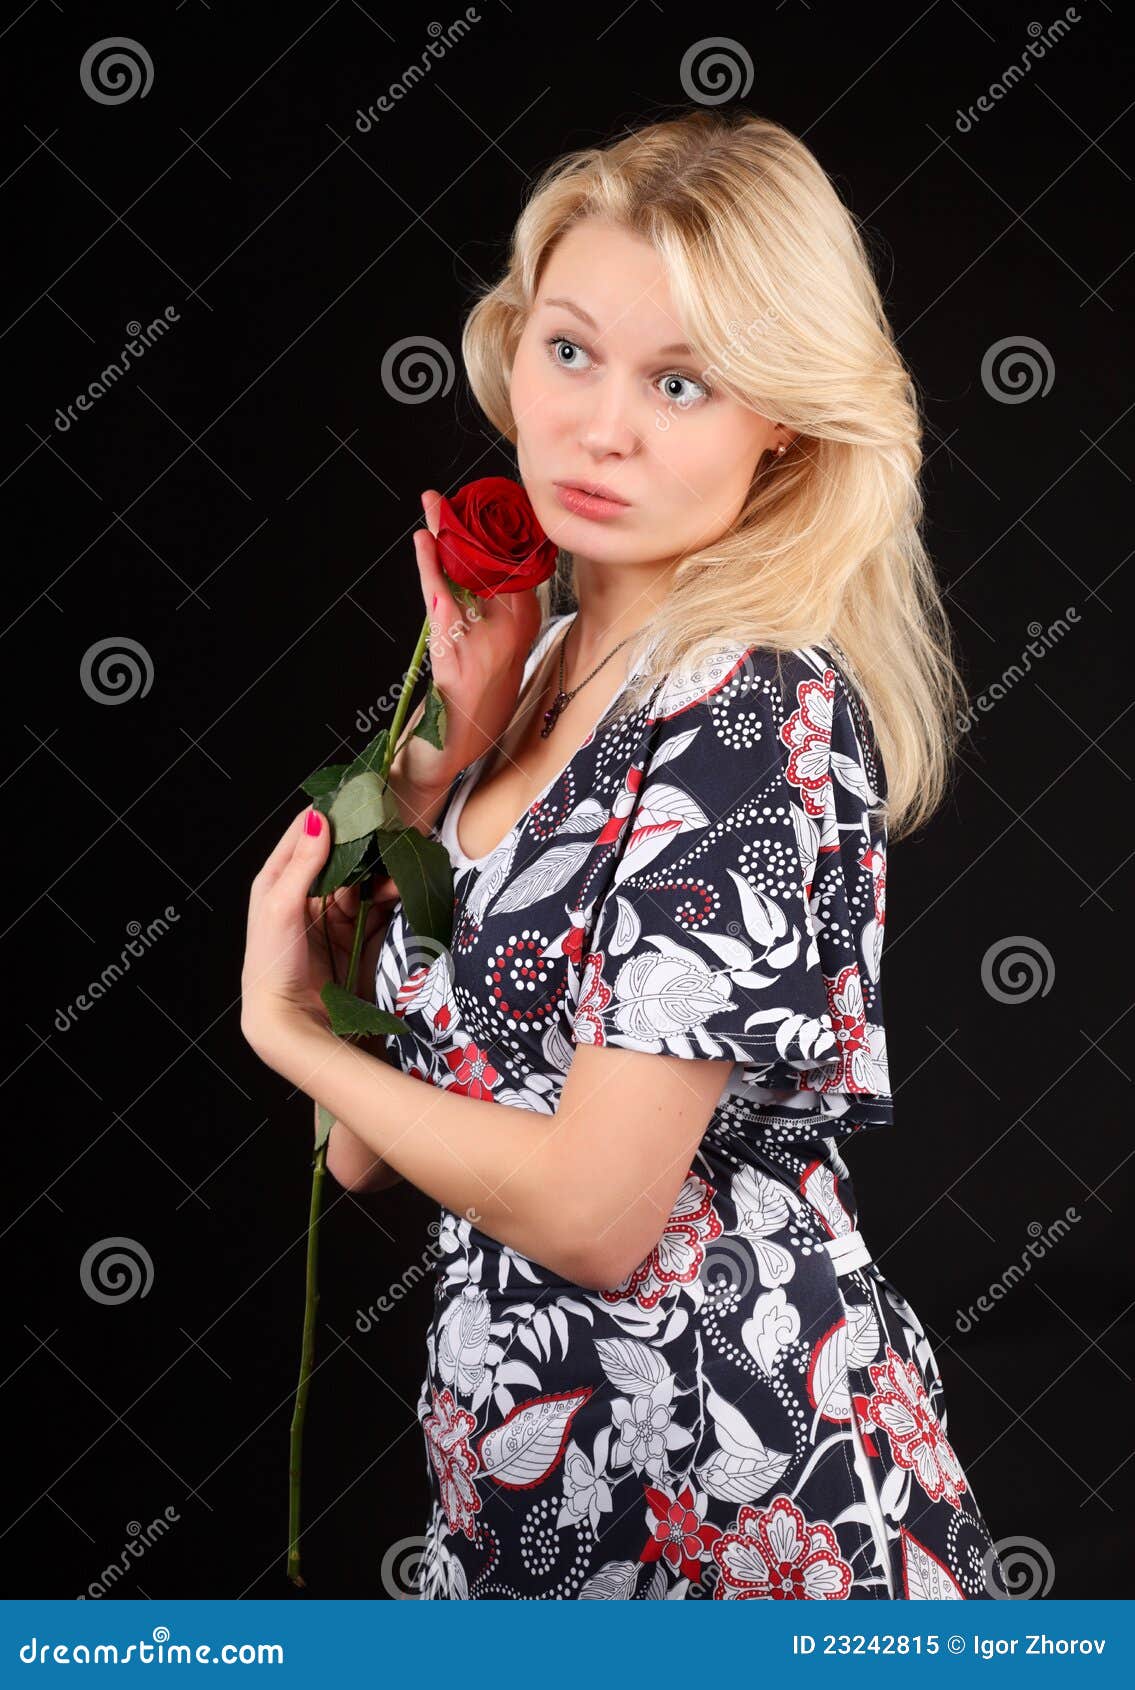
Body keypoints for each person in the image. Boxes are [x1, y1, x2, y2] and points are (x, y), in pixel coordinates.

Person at [241, 108, 1009, 1600]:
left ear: (778, 416)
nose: (602, 426)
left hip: (742, 1498)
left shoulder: (752, 708)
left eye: (683, 380)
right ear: (515, 347)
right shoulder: (554, 665)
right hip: (533, 1489)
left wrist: (284, 1031)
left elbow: (596, 1216)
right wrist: (440, 781)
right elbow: (371, 1147)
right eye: (573, 350)